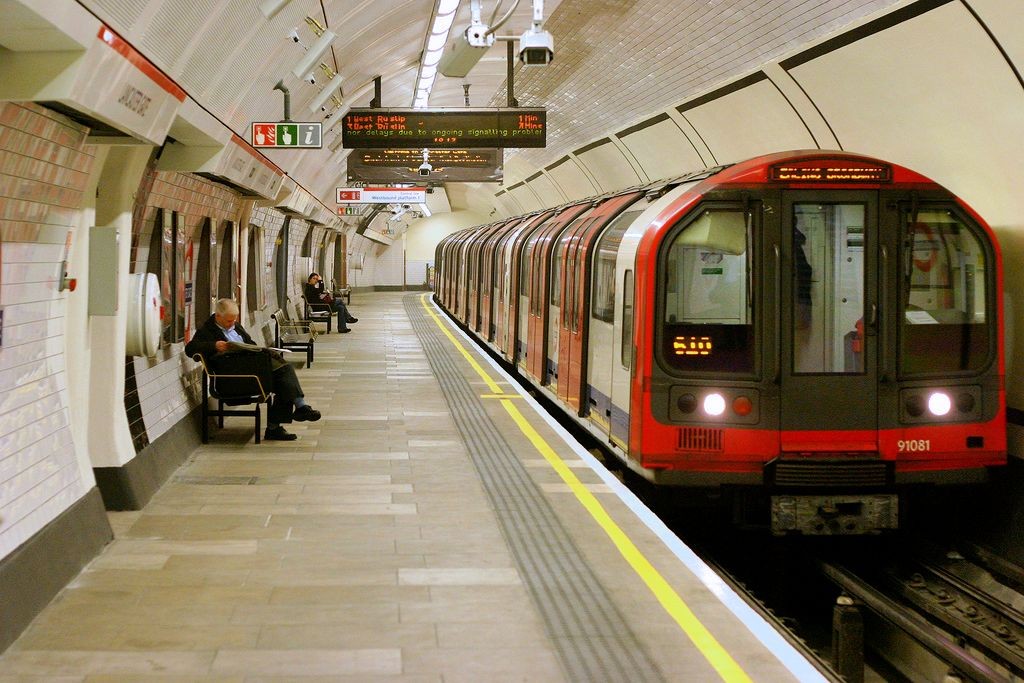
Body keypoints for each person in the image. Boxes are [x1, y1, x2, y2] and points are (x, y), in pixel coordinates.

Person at [185, 299, 320, 441]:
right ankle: (289, 416)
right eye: (228, 321)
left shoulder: (236, 327)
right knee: (284, 376)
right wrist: (214, 346)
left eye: (234, 320)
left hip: (251, 369)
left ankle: (293, 414)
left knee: (283, 378)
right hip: (234, 377)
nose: (232, 323)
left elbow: (251, 344)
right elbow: (190, 349)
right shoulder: (207, 331)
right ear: (218, 316)